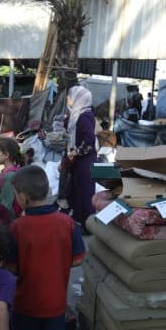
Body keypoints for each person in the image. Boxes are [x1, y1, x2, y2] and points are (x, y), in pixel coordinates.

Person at [8, 165, 85, 330]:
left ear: (23, 198)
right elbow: (77, 260)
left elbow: (11, 267)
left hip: (25, 304)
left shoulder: (18, 228)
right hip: (55, 305)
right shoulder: (68, 223)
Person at [58, 85, 97, 226]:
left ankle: (87, 224)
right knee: (76, 190)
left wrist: (76, 152)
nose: (68, 98)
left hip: (85, 161)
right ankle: (78, 221)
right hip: (79, 161)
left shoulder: (84, 116)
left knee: (84, 192)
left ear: (78, 99)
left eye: (70, 96)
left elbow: (90, 140)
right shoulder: (76, 114)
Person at [0, 137, 30, 219]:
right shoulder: (8, 173)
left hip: (6, 220)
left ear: (6, 155)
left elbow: (7, 204)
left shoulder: (9, 176)